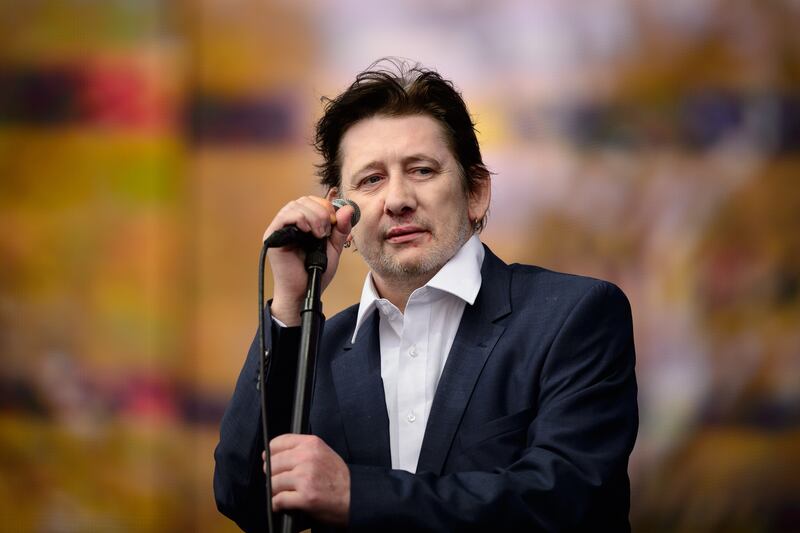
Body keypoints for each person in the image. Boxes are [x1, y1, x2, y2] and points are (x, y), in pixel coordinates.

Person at [214, 59, 638, 532]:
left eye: (421, 170)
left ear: (476, 193)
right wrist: (290, 306)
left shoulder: (573, 315)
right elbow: (242, 494)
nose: (397, 199)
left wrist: (356, 494)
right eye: (371, 179)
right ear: (340, 215)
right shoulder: (318, 348)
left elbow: (568, 501)